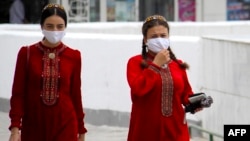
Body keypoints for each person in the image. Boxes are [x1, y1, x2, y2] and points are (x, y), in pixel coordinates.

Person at [8, 3, 87, 141]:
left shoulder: (74, 56)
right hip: (33, 125)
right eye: (50, 26)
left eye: (59, 27)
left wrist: (81, 129)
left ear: (65, 28)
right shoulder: (26, 54)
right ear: (41, 26)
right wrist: (15, 129)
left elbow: (75, 95)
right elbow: (18, 94)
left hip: (66, 125)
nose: (55, 31)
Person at [126, 15, 202, 141]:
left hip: (176, 131)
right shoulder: (135, 62)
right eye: (154, 37)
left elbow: (185, 94)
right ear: (145, 40)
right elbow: (138, 90)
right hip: (146, 132)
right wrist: (156, 65)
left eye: (163, 36)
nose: (159, 40)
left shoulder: (178, 64)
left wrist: (196, 102)